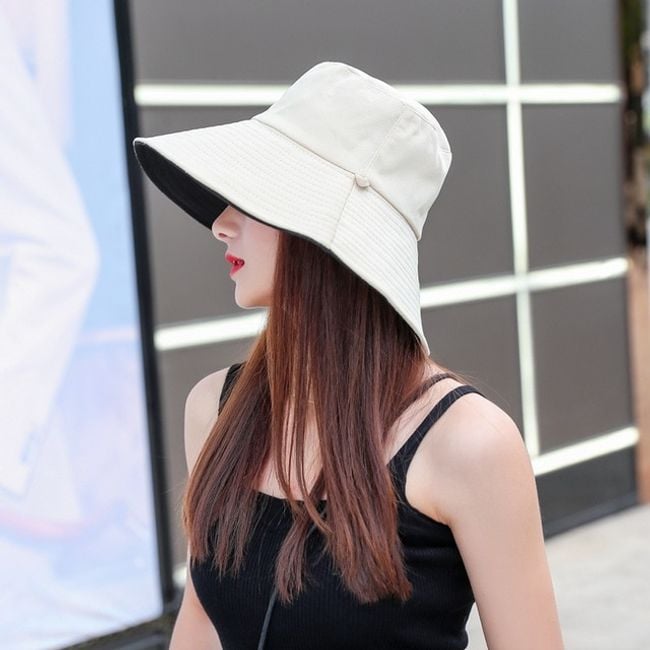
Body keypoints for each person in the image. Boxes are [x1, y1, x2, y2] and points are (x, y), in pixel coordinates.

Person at [133, 61, 564, 649]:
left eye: (254, 198)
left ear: (327, 235)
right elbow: (203, 622)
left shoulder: (468, 443)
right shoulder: (214, 409)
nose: (221, 224)